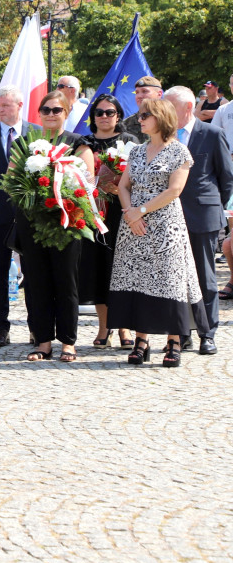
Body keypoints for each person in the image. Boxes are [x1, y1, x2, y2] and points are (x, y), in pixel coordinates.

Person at [109, 99, 201, 368]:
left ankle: (173, 341)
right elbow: (124, 185)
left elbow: (175, 190)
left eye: (146, 115)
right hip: (134, 227)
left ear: (161, 117)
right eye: (141, 115)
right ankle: (142, 341)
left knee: (168, 281)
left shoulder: (179, 152)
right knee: (137, 280)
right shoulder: (137, 151)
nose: (141, 119)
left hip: (164, 226)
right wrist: (129, 212)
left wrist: (143, 210)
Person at [16, 91, 94, 363]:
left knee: (66, 282)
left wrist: (62, 196)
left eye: (57, 110)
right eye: (46, 110)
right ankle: (43, 341)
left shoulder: (78, 144)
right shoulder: (25, 144)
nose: (51, 114)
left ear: (67, 112)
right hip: (33, 224)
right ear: (39, 113)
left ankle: (68, 341)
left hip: (67, 223)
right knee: (36, 283)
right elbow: (14, 183)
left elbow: (88, 185)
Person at [166, 86, 233, 355]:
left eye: (169, 107)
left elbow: (226, 178)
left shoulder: (212, 134)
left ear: (185, 108)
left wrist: (212, 205)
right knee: (175, 278)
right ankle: (181, 332)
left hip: (202, 215)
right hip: (169, 216)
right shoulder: (164, 136)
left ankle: (208, 333)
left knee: (205, 277)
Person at [0, 85, 40, 347]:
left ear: (19, 105)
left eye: (5, 105)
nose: (0, 110)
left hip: (31, 215)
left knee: (34, 273)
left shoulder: (37, 133)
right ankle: (1, 327)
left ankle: (38, 328)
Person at [77, 95, 138, 348]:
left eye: (109, 112)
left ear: (119, 116)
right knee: (100, 271)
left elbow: (140, 176)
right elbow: (80, 177)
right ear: (93, 116)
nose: (104, 117)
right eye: (99, 112)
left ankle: (125, 328)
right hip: (95, 214)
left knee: (122, 270)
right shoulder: (84, 143)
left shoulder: (131, 142)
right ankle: (104, 328)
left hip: (123, 212)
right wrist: (99, 186)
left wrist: (121, 187)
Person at [120, 76, 164, 140]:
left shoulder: (169, 120)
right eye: (137, 92)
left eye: (144, 91)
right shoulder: (125, 125)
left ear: (159, 94)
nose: (139, 96)